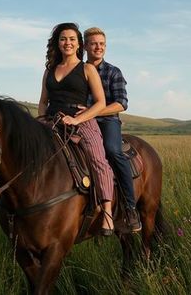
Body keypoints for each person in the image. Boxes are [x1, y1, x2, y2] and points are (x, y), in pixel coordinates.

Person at [38, 22, 115, 236]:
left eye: (72, 39)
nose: (68, 43)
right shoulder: (49, 71)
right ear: (58, 43)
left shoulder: (87, 69)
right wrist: (42, 120)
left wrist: (77, 120)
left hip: (81, 120)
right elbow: (43, 102)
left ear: (79, 44)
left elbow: (100, 103)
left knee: (97, 158)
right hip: (52, 120)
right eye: (63, 39)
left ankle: (107, 210)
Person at [82, 27, 142, 232]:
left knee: (113, 151)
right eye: (93, 43)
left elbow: (121, 103)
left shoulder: (113, 72)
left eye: (102, 44)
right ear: (85, 46)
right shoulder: (78, 71)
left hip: (107, 121)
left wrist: (95, 112)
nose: (98, 47)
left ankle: (130, 207)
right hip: (81, 121)